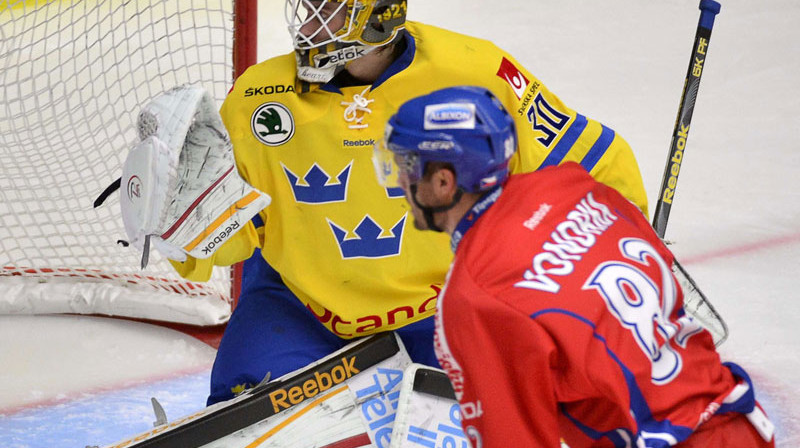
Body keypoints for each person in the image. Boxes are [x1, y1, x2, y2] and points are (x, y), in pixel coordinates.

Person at [171, 0, 650, 405]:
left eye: (330, 8)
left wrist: (628, 249)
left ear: (378, 15)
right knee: (243, 413)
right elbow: (230, 239)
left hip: (445, 311)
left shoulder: (475, 72)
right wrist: (182, 228)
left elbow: (592, 161)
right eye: (308, 5)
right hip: (299, 308)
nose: (309, 21)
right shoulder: (257, 97)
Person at [375, 85, 776, 447]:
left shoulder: (474, 295)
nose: (399, 183)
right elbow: (662, 267)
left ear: (444, 182)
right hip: (741, 421)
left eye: (407, 166)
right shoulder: (575, 186)